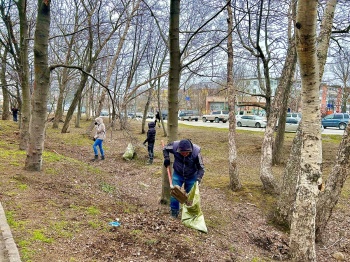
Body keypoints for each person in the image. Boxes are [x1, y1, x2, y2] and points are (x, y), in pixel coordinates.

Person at [163, 139, 205, 218]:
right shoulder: (175, 146)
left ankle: (189, 212)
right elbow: (165, 148)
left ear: (190, 150)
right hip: (178, 174)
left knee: (190, 196)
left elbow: (201, 168)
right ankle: (174, 212)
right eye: (182, 152)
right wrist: (166, 158)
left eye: (186, 152)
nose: (184, 154)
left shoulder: (196, 153)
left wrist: (198, 179)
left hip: (191, 175)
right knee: (174, 193)